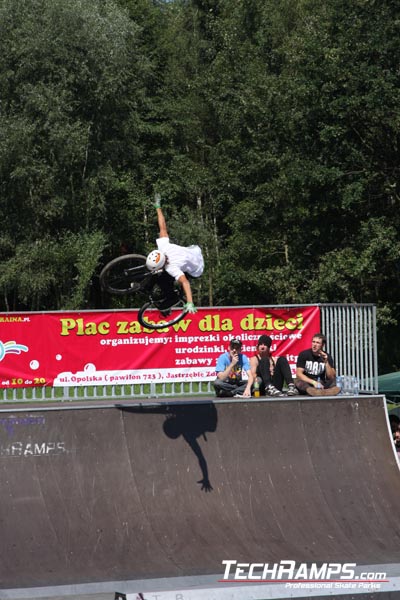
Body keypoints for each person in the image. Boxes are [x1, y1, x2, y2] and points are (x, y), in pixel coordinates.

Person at [145, 193, 204, 313]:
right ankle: (152, 287)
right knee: (161, 275)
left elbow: (185, 282)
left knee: (163, 280)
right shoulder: (163, 246)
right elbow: (162, 226)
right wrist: (158, 207)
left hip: (196, 269)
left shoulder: (172, 267)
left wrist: (190, 302)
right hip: (194, 251)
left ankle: (172, 298)